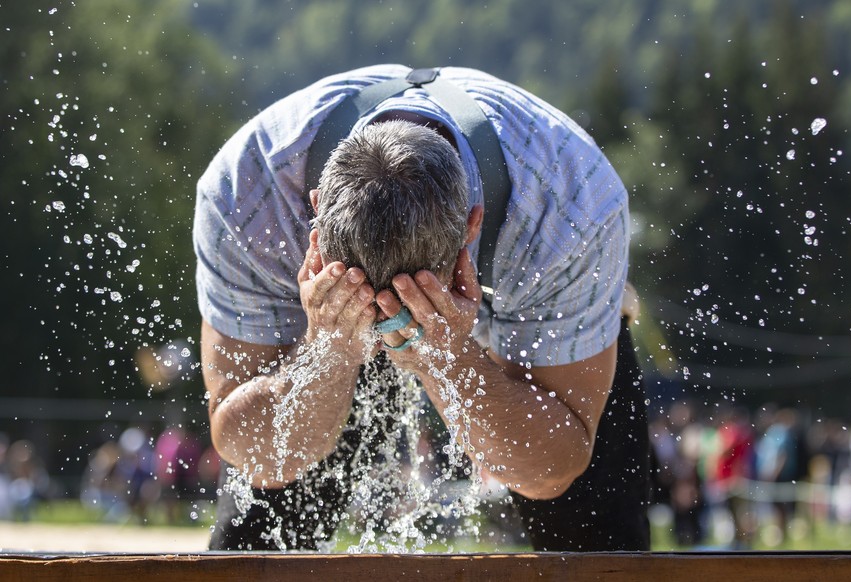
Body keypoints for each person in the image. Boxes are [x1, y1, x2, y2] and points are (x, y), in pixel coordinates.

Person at [194, 64, 650, 551]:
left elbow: (552, 471)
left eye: (414, 298)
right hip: (319, 325)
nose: (389, 321)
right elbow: (256, 459)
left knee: (599, 543)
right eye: (370, 303)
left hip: (535, 296)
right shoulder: (245, 193)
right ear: (316, 209)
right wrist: (328, 352)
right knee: (256, 540)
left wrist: (448, 357)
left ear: (470, 229)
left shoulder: (573, 206)